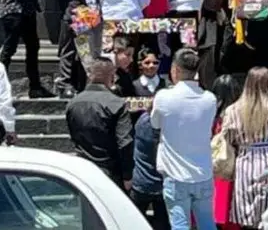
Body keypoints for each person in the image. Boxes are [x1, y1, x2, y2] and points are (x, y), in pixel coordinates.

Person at [151, 48, 218, 230]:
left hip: (175, 174)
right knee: (207, 224)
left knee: (180, 225)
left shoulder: (164, 97)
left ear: (175, 69)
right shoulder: (209, 99)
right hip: (203, 172)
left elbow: (155, 124)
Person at [223, 66, 268, 228]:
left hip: (244, 161)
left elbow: (227, 138)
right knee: (267, 214)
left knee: (245, 211)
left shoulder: (233, 110)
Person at [65, 57, 135, 187]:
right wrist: (127, 175)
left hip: (82, 170)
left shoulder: (72, 104)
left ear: (89, 75)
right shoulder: (117, 104)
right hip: (110, 172)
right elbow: (125, 142)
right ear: (112, 76)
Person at [210, 74, 244, 230]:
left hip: (215, 169)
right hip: (236, 170)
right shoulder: (240, 116)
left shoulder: (212, 116)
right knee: (231, 220)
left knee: (215, 215)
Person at [132, 109, 170, 230]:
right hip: (163, 184)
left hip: (141, 182)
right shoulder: (169, 128)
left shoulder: (142, 122)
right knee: (163, 223)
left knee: (134, 222)